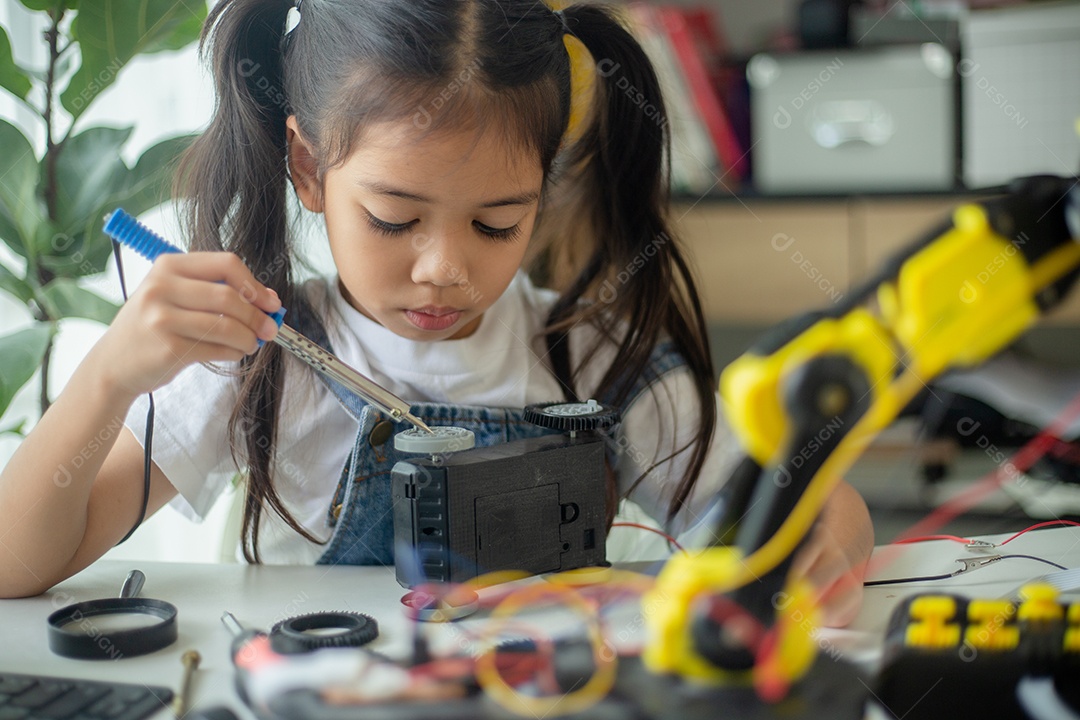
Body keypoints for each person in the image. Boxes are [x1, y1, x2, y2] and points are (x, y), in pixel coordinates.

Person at [0, 0, 872, 625]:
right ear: (307, 166)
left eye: (499, 223)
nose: (445, 269)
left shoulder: (593, 359)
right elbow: (14, 565)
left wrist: (829, 535)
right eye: (395, 218)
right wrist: (111, 375)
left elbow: (784, 506)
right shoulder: (256, 362)